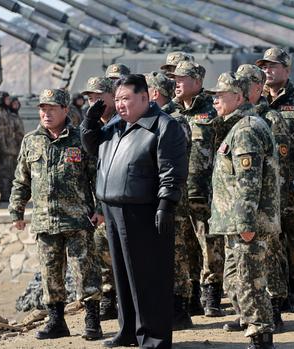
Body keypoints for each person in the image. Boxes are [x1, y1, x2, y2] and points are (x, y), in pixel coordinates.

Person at [81, 74, 188, 348]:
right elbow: (93, 147)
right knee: (124, 277)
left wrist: (166, 205)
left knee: (147, 277)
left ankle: (153, 337)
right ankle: (129, 329)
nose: (119, 105)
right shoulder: (116, 125)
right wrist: (89, 122)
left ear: (145, 97)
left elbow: (172, 172)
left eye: (125, 98)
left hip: (144, 211)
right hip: (114, 208)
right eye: (116, 99)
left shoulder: (164, 126)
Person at [9, 88, 103, 341]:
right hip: (44, 221)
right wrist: (17, 209)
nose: (46, 113)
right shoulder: (31, 141)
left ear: (65, 110)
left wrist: (101, 209)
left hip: (77, 221)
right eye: (42, 108)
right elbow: (21, 180)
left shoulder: (79, 139)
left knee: (86, 272)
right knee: (51, 276)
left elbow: (97, 177)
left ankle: (93, 321)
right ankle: (56, 322)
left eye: (51, 108)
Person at [207, 72, 279, 349]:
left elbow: (249, 183)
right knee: (235, 280)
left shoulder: (246, 130)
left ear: (238, 97)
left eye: (219, 95)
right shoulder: (235, 127)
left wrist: (247, 223)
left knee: (250, 281)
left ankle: (261, 337)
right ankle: (255, 328)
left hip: (246, 224)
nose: (214, 100)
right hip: (234, 223)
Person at [256, 47, 294, 313]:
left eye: (273, 66)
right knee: (272, 241)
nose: (268, 71)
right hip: (266, 188)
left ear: (287, 70)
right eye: (265, 66)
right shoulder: (257, 102)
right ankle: (276, 293)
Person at [234, 64, 291, 332]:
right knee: (242, 263)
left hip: (267, 201)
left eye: (244, 85)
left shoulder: (271, 118)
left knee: (269, 258)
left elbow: (281, 163)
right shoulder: (237, 117)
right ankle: (247, 311)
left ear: (257, 88)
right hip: (242, 201)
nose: (240, 89)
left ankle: (274, 311)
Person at [168, 60, 219, 317]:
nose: (176, 83)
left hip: (205, 191)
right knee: (183, 247)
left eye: (182, 78)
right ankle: (190, 296)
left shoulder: (213, 111)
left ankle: (212, 295)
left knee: (209, 245)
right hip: (179, 192)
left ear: (197, 82)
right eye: (174, 78)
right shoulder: (169, 112)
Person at [146, 70, 196, 329]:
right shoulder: (154, 120)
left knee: (176, 253)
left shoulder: (173, 121)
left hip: (173, 199)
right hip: (160, 197)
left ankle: (179, 309)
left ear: (154, 93)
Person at [80, 76, 118, 321]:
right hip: (97, 206)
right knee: (101, 254)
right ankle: (108, 300)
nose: (93, 102)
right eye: (90, 98)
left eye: (98, 97)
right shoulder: (92, 126)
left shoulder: (119, 124)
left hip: (116, 203)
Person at [0, 91, 24, 203]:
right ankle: (5, 195)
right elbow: (0, 133)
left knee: (12, 173)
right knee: (5, 174)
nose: (9, 102)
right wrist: (3, 148)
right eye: (6, 99)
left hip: (11, 148)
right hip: (5, 149)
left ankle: (9, 195)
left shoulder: (7, 112)